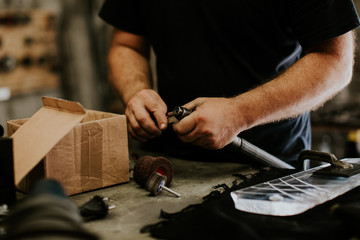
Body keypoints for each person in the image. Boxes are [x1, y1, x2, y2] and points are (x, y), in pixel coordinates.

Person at [99, 0, 360, 165]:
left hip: (269, 167)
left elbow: (334, 61)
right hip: (167, 163)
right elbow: (126, 45)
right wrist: (136, 91)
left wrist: (239, 114)